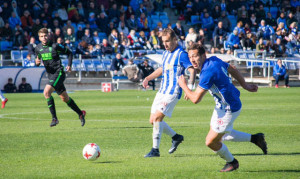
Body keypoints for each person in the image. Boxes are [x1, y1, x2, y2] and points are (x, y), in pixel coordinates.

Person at [178, 43, 267, 172]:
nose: (192, 59)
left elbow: (196, 99)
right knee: (220, 136)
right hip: (222, 105)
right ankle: (255, 138)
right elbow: (232, 68)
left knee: (210, 142)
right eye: (190, 57)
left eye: (195, 56)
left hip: (229, 108)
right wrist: (245, 85)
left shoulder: (207, 72)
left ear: (203, 55)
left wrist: (184, 86)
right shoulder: (213, 60)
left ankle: (232, 162)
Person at [142, 28, 195, 158]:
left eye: (167, 41)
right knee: (152, 120)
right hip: (162, 91)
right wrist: (148, 78)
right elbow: (162, 68)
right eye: (163, 41)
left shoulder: (181, 54)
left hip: (173, 92)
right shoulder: (165, 53)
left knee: (157, 118)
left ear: (175, 40)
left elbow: (192, 70)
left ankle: (155, 150)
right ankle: (176, 137)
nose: (165, 44)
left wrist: (189, 88)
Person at [35, 28, 86, 127]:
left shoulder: (55, 46)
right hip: (51, 75)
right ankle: (80, 113)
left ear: (48, 35)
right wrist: (36, 63)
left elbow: (69, 53)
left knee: (46, 92)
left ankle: (54, 118)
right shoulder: (38, 48)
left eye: (45, 36)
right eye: (41, 36)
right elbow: (37, 61)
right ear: (39, 37)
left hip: (59, 73)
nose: (44, 38)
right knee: (65, 98)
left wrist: (69, 65)